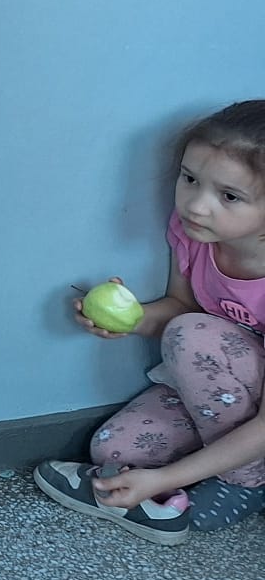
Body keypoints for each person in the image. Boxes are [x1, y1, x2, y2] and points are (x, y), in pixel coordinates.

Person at [38, 100, 265, 540]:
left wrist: (165, 479)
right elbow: (181, 308)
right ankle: (221, 462)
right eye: (190, 179)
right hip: (224, 393)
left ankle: (247, 481)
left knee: (191, 336)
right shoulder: (196, 236)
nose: (197, 206)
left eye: (229, 196)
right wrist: (133, 319)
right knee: (112, 450)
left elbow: (190, 332)